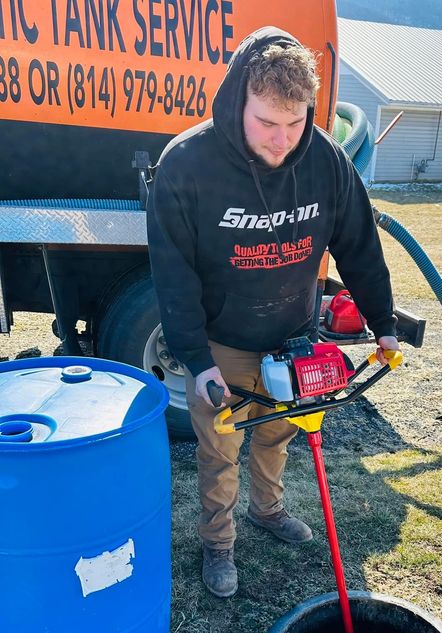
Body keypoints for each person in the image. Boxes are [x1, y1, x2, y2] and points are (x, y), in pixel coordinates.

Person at [147, 26, 399, 599]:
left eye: (296, 122)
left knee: (277, 436)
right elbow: (173, 274)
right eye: (267, 122)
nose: (283, 139)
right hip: (223, 342)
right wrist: (196, 360)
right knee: (219, 449)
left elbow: (359, 243)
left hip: (292, 336)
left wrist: (382, 324)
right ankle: (218, 544)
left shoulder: (325, 159)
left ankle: (268, 510)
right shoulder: (187, 164)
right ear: (239, 101)